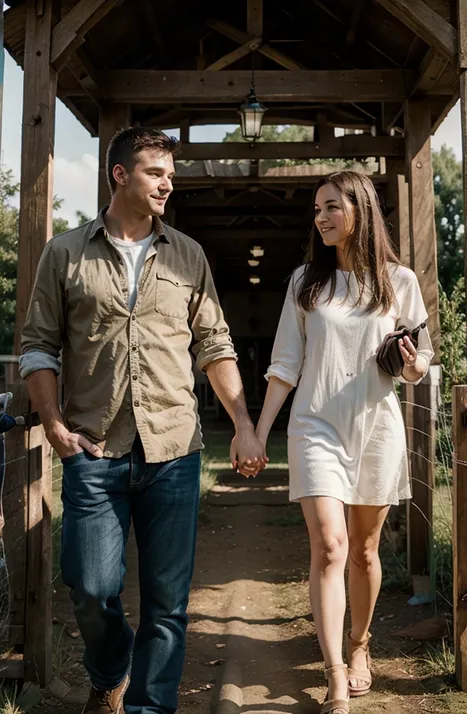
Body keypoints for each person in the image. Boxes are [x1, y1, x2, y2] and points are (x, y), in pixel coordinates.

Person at [20, 128, 265, 714]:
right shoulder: (65, 253)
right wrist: (54, 427)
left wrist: (244, 423)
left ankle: (150, 708)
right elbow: (37, 346)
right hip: (94, 449)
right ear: (120, 175)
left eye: (170, 173)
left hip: (174, 450)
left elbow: (214, 343)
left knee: (167, 602)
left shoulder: (188, 254)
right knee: (90, 585)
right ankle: (109, 668)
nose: (168, 182)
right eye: (156, 171)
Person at [254, 171, 434, 714]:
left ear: (360, 209)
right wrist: (259, 432)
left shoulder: (398, 282)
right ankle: (334, 675)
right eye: (316, 210)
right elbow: (285, 364)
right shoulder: (304, 283)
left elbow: (421, 363)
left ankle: (360, 644)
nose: (321, 217)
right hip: (315, 427)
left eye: (331, 206)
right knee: (330, 546)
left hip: (377, 430)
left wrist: (412, 366)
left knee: (363, 550)